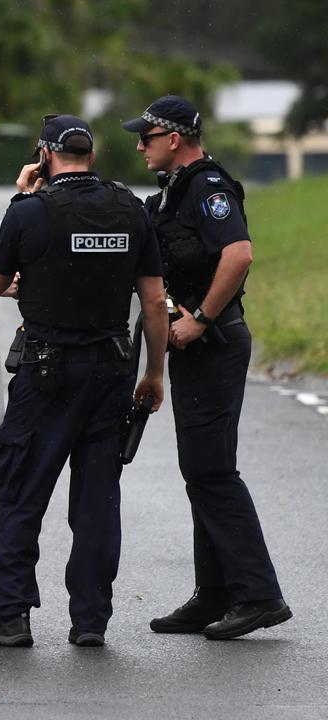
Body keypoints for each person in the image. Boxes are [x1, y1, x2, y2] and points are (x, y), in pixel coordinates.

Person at [0, 114, 168, 648]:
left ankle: (11, 615)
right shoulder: (130, 209)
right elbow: (154, 301)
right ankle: (90, 619)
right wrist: (154, 372)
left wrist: (20, 198)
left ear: (44, 155)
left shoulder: (33, 212)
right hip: (111, 371)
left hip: (46, 374)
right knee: (98, 499)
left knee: (22, 490)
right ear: (91, 153)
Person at [122, 95, 292, 640]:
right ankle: (214, 593)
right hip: (195, 348)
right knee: (201, 470)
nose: (140, 146)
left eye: (146, 137)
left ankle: (259, 594)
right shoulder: (174, 191)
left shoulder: (208, 187)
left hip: (214, 342)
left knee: (212, 472)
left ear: (173, 138)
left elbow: (238, 254)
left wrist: (199, 317)